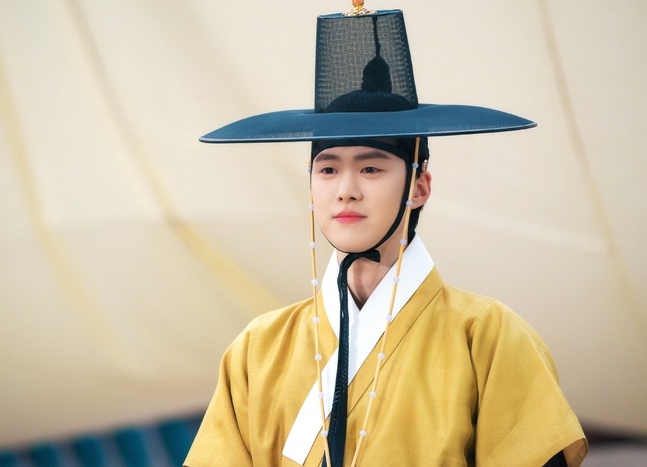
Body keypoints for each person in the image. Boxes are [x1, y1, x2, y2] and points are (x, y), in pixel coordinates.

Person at [185, 4, 588, 466]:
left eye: (371, 169)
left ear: (419, 186)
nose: (346, 190)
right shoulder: (258, 348)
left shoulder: (487, 335)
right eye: (328, 170)